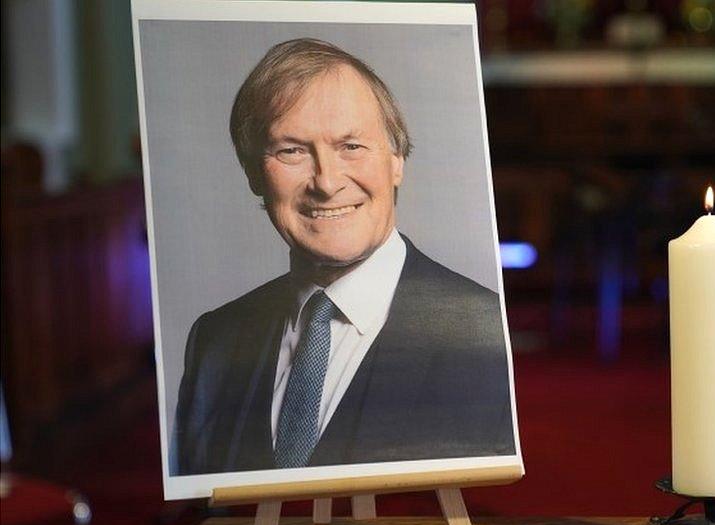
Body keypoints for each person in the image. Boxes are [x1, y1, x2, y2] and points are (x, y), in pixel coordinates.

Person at [174, 38, 514, 475]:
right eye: (292, 150)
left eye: (351, 146)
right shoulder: (215, 340)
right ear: (254, 173)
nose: (327, 182)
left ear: (396, 161)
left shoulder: (478, 327)